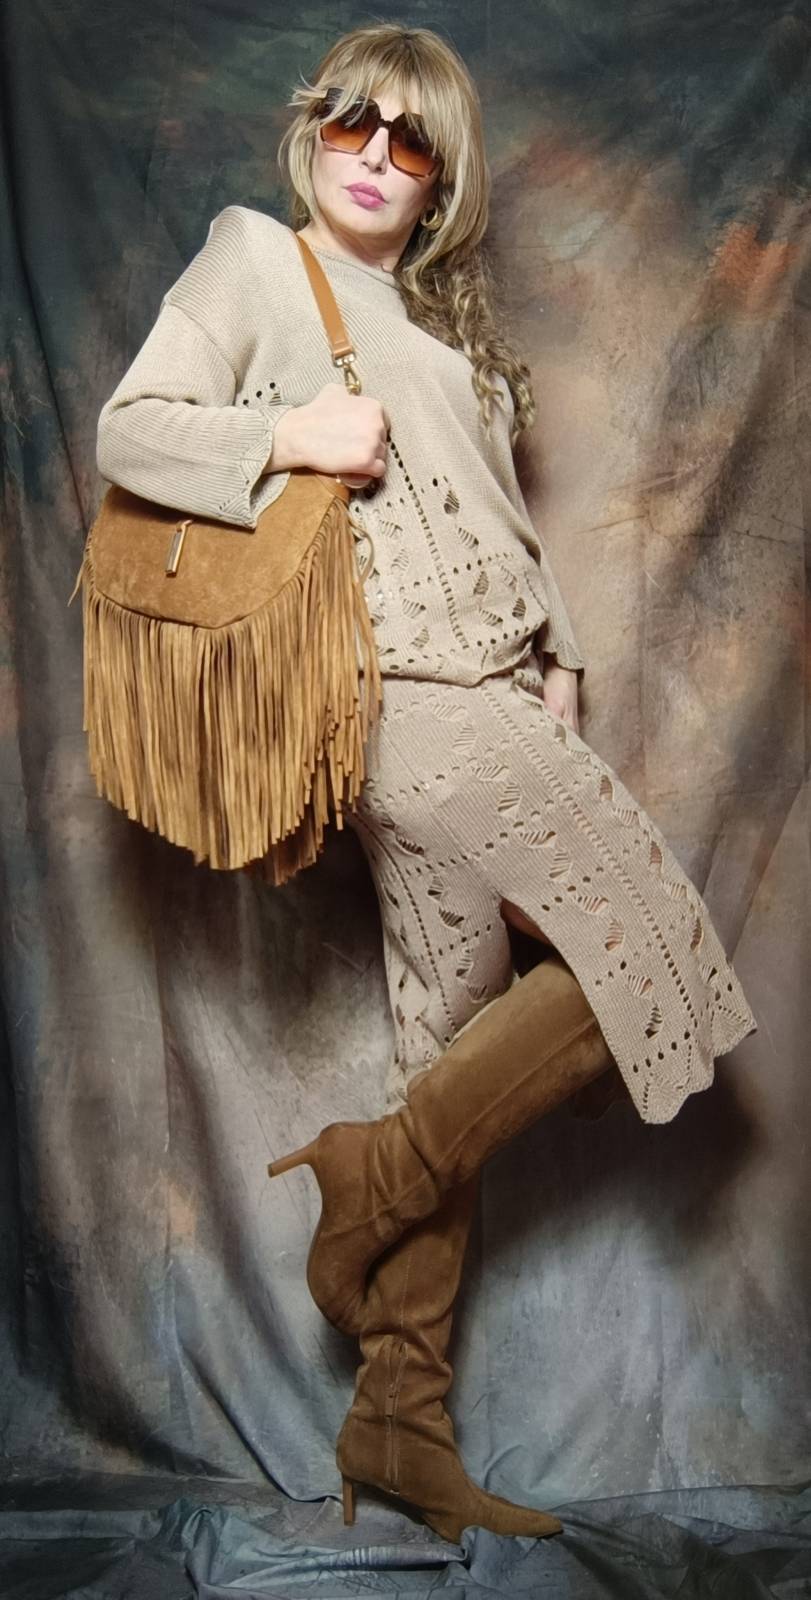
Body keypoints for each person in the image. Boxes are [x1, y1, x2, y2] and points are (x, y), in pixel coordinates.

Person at [96, 22, 757, 1547]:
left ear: (442, 179)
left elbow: (488, 519)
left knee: (448, 1045)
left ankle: (398, 1419)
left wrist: (563, 652)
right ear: (312, 130)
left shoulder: (441, 325)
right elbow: (134, 431)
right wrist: (291, 434)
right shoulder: (259, 262)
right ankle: (373, 1175)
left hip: (495, 694)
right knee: (649, 955)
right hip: (407, 699)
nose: (377, 157)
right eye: (354, 122)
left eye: (413, 142)